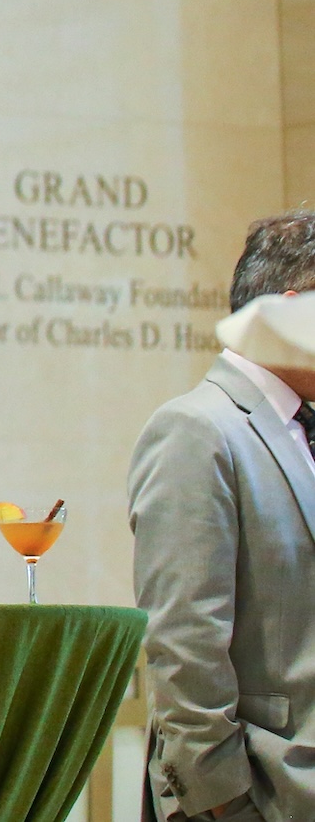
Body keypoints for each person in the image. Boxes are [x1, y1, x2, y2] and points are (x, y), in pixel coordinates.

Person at [129, 213, 315, 822]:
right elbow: (183, 644)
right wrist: (222, 803)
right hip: (256, 798)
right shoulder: (197, 428)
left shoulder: (301, 430)